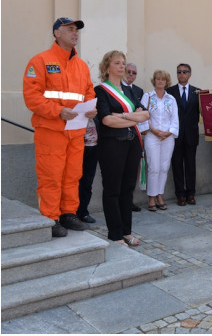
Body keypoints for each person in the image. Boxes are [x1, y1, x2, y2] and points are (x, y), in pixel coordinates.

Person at [23, 17, 96, 237]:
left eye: (77, 30)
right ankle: (51, 218)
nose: (75, 34)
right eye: (70, 29)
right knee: (51, 176)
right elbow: (32, 97)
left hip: (75, 131)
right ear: (57, 33)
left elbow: (89, 92)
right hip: (51, 130)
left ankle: (68, 214)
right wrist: (58, 111)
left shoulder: (81, 66)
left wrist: (92, 108)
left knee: (72, 175)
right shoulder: (40, 61)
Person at [95, 50, 149, 246]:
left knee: (128, 188)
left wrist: (123, 117)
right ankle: (115, 234)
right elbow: (107, 120)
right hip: (112, 145)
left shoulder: (129, 91)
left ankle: (126, 231)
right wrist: (131, 116)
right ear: (107, 67)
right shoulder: (101, 91)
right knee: (113, 189)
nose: (121, 66)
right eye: (117, 63)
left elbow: (145, 115)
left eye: (123, 63)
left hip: (132, 143)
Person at [141, 70, 179, 211]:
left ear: (166, 81)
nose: (160, 81)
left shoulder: (171, 99)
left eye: (163, 79)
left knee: (164, 167)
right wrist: (154, 131)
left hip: (168, 138)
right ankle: (151, 197)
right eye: (158, 79)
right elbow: (143, 117)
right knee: (154, 168)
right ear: (154, 80)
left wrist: (168, 133)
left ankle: (159, 194)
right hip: (152, 136)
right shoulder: (147, 97)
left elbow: (175, 119)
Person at [167, 63, 200, 206]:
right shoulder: (169, 92)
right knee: (177, 165)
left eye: (185, 72)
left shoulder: (197, 92)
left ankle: (191, 193)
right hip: (175, 136)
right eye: (179, 72)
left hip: (192, 135)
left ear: (190, 74)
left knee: (191, 165)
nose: (182, 74)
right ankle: (180, 194)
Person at [122, 62, 143, 212]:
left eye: (134, 73)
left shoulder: (138, 91)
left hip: (135, 135)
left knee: (132, 173)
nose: (131, 75)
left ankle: (129, 201)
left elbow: (143, 111)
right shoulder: (117, 88)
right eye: (128, 72)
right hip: (120, 134)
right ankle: (120, 202)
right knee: (121, 172)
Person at [77, 117, 99, 223]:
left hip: (93, 146)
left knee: (87, 181)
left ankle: (83, 212)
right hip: (76, 144)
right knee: (74, 181)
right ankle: (70, 213)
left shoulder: (96, 102)